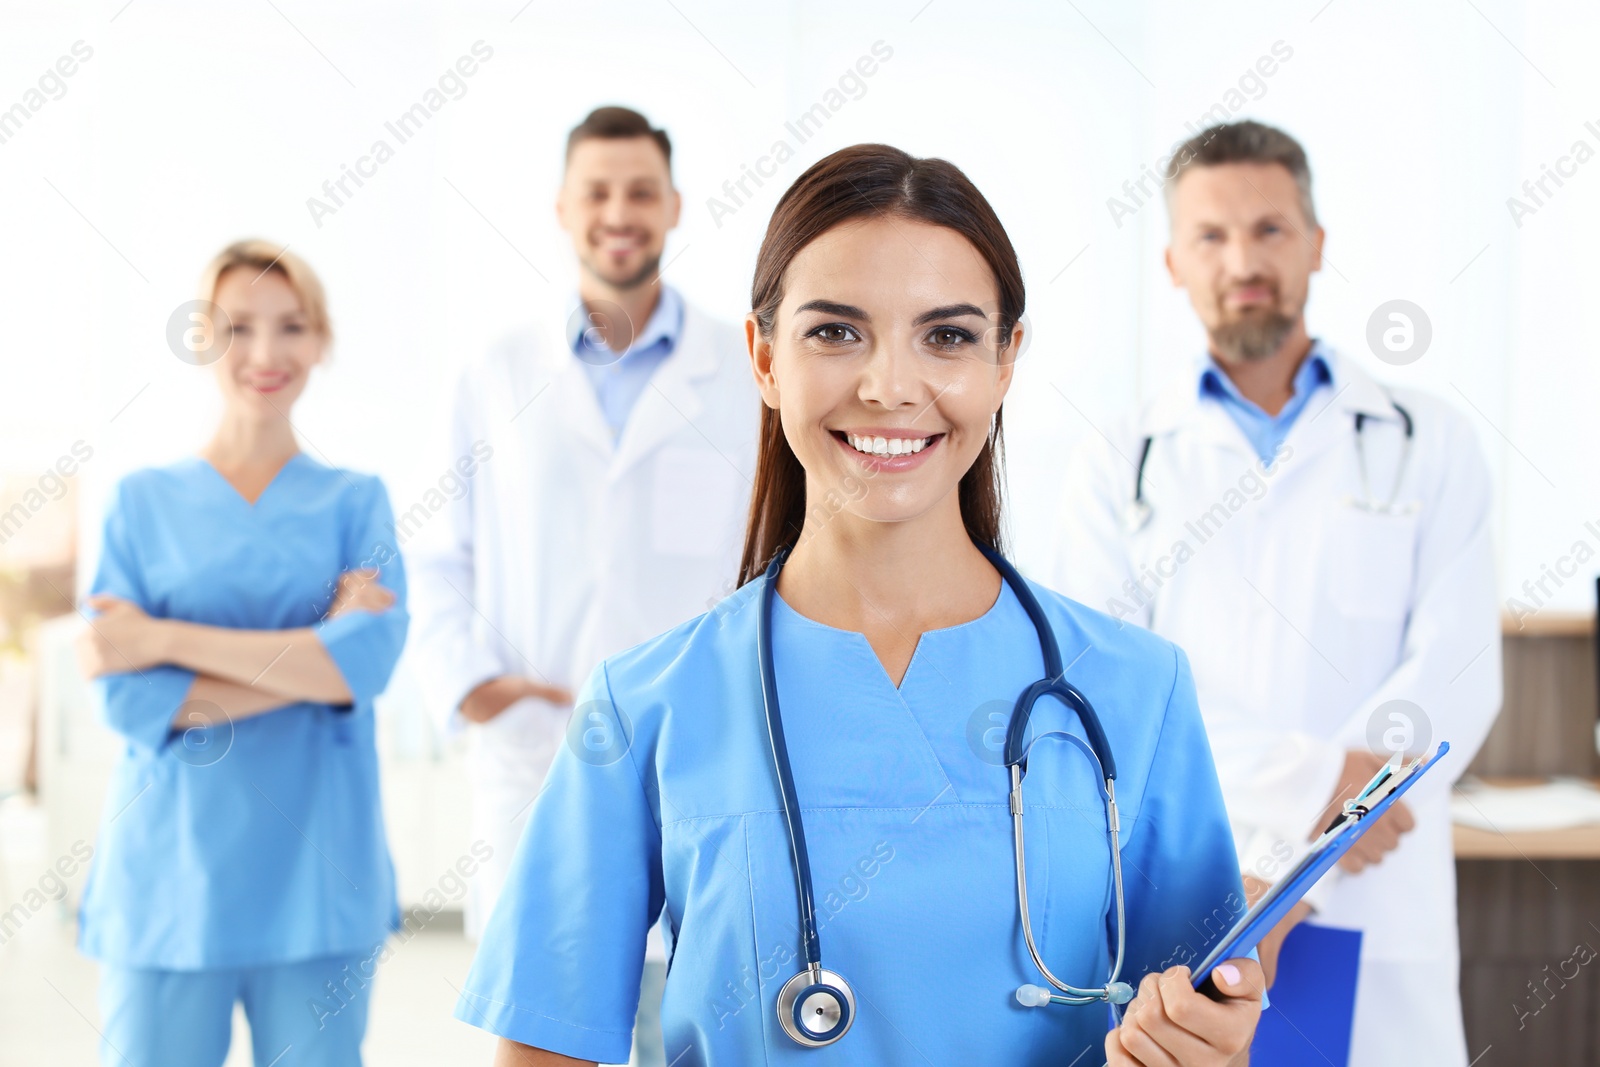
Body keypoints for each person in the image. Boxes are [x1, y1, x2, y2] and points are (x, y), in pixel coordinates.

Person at [454, 144, 1262, 1067]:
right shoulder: (644, 704)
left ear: (1007, 363)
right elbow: (546, 1045)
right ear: (762, 359)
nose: (889, 385)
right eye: (836, 332)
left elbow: (1201, 1012)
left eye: (948, 336)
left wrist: (1212, 1043)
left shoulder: (1137, 690)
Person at [1038, 121, 1501, 1066]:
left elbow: (1458, 667)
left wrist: (1342, 817)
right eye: (1211, 235)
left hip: (1380, 881)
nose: (1242, 259)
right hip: (1195, 894)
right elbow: (1106, 690)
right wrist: (1322, 786)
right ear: (1172, 260)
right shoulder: (1118, 460)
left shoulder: (1431, 438)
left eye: (1270, 228)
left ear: (1317, 242)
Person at [408, 106, 757, 1065]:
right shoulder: (497, 368)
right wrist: (472, 683)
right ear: (563, 208)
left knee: (687, 1025)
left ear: (676, 205)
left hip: (701, 750)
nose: (620, 212)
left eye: (641, 191)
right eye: (597, 192)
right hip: (538, 751)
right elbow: (439, 554)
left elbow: (771, 553)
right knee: (548, 1034)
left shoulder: (743, 366)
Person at [73, 240, 409, 1066]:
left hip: (318, 882)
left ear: (321, 340)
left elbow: (364, 666)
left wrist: (159, 641)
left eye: (291, 326)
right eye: (237, 327)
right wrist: (311, 657)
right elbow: (126, 698)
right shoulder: (139, 502)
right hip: (169, 880)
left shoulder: (354, 500)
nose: (266, 353)